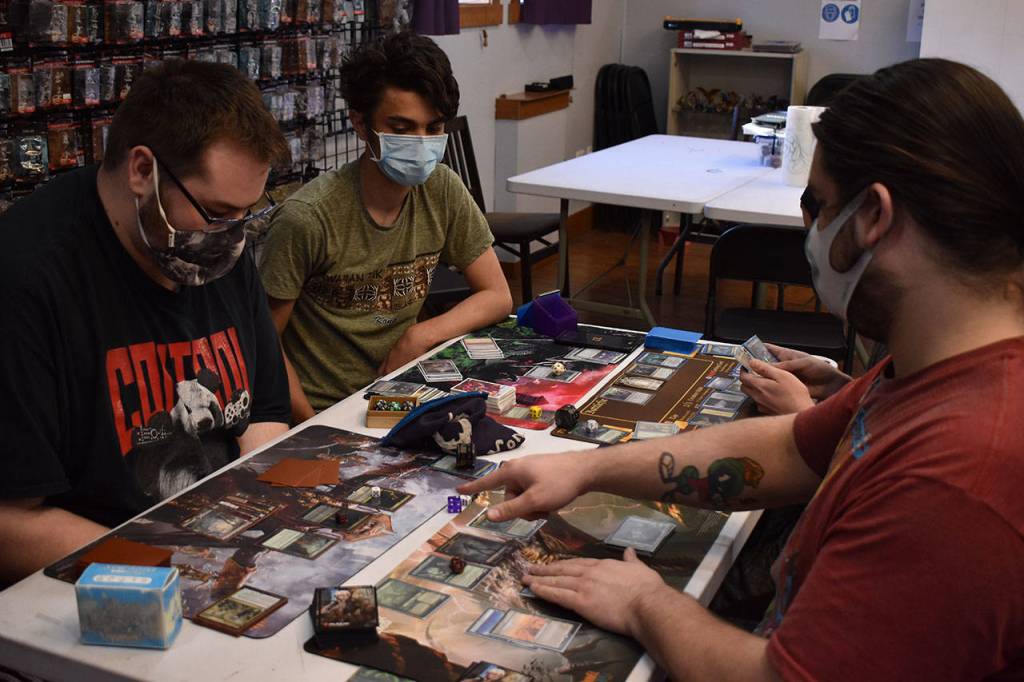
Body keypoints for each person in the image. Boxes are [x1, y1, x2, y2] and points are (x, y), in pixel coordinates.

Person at [460, 58, 1024, 680]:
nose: (810, 231)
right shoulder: (933, 365)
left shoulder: (962, 472)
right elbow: (792, 448)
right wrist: (583, 469)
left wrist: (645, 604)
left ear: (873, 216)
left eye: (820, 205)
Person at [0, 60, 292, 585]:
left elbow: (263, 416)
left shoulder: (212, 250)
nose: (232, 236)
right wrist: (180, 565)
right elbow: (9, 522)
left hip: (215, 547)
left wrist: (258, 532)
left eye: (246, 214)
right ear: (142, 171)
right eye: (217, 212)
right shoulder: (27, 279)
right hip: (94, 583)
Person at [259, 32, 513, 422]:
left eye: (433, 128)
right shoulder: (306, 218)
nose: (421, 143)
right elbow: (264, 344)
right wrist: (311, 425)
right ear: (360, 124)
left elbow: (497, 295)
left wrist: (420, 335)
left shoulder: (442, 189)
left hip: (403, 394)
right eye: (402, 128)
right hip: (326, 409)